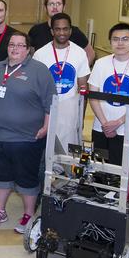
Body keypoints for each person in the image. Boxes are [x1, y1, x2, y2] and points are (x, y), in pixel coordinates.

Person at [0, 32, 55, 232]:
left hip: (25, 138)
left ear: (28, 49)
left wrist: (46, 127)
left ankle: (28, 214)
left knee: (26, 176)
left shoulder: (39, 70)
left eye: (20, 45)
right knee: (1, 174)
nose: (15, 48)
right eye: (12, 44)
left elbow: (50, 103)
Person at [87, 23, 129, 163]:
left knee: (121, 172)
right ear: (110, 42)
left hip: (126, 130)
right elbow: (93, 96)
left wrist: (118, 122)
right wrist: (105, 124)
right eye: (115, 39)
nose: (120, 43)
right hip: (100, 127)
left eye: (125, 39)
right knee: (98, 170)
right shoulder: (100, 63)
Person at [32, 12, 90, 155]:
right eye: (58, 29)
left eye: (65, 29)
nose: (62, 32)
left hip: (70, 110)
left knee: (68, 152)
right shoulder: (40, 54)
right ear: (52, 31)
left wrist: (81, 118)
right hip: (46, 110)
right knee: (47, 151)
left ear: (70, 30)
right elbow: (34, 87)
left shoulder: (79, 53)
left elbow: (84, 88)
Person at [27, 0, 95, 65]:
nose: (55, 7)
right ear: (45, 8)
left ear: (64, 7)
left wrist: (80, 72)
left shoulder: (75, 32)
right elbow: (30, 55)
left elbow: (91, 54)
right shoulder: (35, 30)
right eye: (51, 4)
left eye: (58, 4)